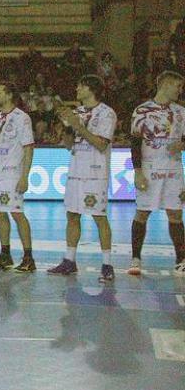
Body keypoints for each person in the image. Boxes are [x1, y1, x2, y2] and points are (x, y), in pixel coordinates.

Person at [49, 75, 117, 281]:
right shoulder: (77, 112)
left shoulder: (107, 113)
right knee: (72, 215)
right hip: (75, 171)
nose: (77, 88)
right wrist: (67, 128)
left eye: (80, 85)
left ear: (91, 88)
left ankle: (107, 265)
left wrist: (78, 126)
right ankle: (69, 260)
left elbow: (101, 144)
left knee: (99, 216)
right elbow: (70, 145)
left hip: (95, 173)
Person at [128, 70, 185, 275]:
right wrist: (137, 172)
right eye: (178, 86)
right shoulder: (142, 110)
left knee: (175, 213)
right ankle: (135, 259)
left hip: (174, 169)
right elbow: (134, 142)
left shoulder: (181, 112)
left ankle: (181, 260)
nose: (180, 90)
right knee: (142, 212)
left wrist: (182, 144)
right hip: (150, 169)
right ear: (165, 85)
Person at [0, 83, 36, 272]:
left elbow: (28, 147)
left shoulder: (22, 118)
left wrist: (24, 176)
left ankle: (28, 257)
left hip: (11, 174)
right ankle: (5, 254)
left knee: (17, 213)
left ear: (10, 95)